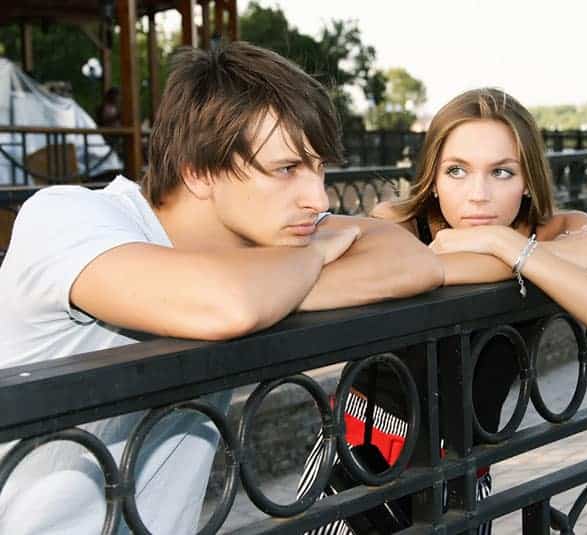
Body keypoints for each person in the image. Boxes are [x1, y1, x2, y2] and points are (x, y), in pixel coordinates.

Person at [0, 42, 443, 534]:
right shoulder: (67, 217)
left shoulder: (265, 248)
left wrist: (277, 290)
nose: (316, 198)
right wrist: (311, 257)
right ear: (199, 170)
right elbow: (228, 306)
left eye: (319, 168)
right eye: (287, 169)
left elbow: (412, 261)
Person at [302, 88, 587, 534]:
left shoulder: (566, 229)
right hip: (362, 450)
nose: (478, 195)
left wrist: (506, 243)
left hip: (467, 468)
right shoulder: (395, 222)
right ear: (432, 176)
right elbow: (421, 270)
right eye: (457, 171)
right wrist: (544, 260)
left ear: (528, 178)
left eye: (502, 172)